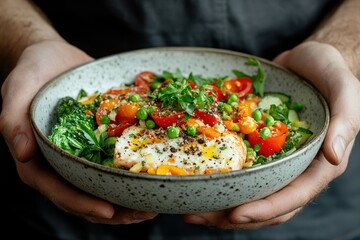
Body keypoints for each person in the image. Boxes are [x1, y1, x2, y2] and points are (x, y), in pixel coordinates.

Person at [1, 0, 360, 239]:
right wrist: (28, 41)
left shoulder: (235, 124)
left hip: (307, 217)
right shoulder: (129, 117)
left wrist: (339, 51)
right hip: (65, 216)